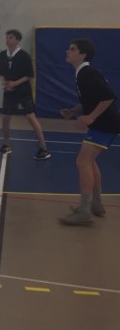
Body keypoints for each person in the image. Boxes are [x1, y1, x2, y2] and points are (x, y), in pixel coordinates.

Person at [58, 39, 120, 226]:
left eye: (72, 49)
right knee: (89, 161)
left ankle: (84, 212)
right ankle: (96, 204)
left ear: (82, 55)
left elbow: (109, 97)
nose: (68, 51)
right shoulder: (82, 73)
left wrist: (91, 117)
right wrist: (74, 111)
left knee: (82, 161)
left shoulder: (87, 73)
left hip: (105, 124)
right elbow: (92, 98)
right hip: (103, 124)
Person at [0, 29, 50, 160]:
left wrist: (15, 83)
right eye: (7, 37)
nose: (8, 40)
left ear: (17, 40)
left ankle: (43, 148)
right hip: (9, 92)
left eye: (10, 37)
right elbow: (1, 73)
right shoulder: (2, 55)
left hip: (23, 91)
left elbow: (29, 75)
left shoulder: (24, 56)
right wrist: (5, 84)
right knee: (5, 118)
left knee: (31, 117)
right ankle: (6, 145)